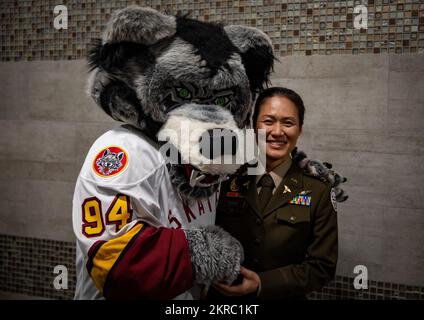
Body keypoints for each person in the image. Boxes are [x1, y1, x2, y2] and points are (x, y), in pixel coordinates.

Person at [207, 87, 339, 300]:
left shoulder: (318, 191)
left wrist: (262, 283)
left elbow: (322, 267)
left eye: (288, 123)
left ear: (300, 129)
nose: (277, 132)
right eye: (268, 121)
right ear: (253, 126)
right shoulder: (225, 179)